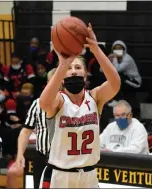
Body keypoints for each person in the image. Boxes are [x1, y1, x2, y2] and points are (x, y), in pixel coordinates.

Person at [39, 23, 120, 188]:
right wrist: (63, 64)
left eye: (78, 67)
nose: (74, 71)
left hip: (89, 175)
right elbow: (44, 103)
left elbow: (115, 83)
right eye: (69, 68)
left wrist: (96, 49)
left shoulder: (95, 97)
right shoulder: (59, 100)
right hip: (60, 175)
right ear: (61, 77)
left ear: (85, 76)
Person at [6, 68, 56, 189]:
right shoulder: (37, 104)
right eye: (51, 81)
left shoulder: (71, 104)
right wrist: (20, 154)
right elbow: (25, 131)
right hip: (43, 157)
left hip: (65, 159)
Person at [108, 40, 141, 108]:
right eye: (115, 49)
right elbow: (102, 70)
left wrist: (114, 59)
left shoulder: (127, 58)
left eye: (119, 49)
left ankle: (116, 99)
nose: (117, 50)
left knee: (118, 78)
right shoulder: (116, 58)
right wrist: (108, 60)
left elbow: (118, 69)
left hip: (134, 81)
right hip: (125, 79)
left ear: (123, 49)